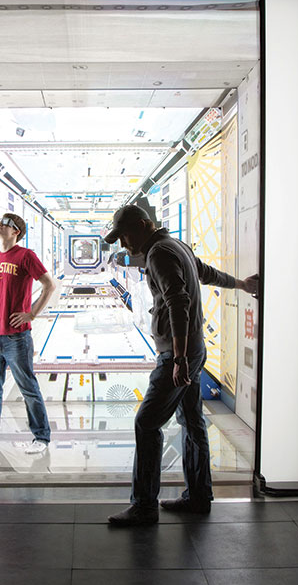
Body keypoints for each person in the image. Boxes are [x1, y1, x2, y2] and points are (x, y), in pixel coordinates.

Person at [104, 204, 258, 525]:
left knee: (146, 424)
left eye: (125, 235)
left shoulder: (160, 253)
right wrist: (242, 285)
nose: (123, 244)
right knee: (192, 421)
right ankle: (198, 496)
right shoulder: (176, 246)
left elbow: (178, 302)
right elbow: (206, 273)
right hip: (194, 350)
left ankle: (145, 506)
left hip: (179, 356)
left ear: (144, 225)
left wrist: (178, 357)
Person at [0, 212, 56, 454]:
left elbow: (49, 284)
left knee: (28, 388)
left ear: (16, 230)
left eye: (4, 223)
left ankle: (41, 437)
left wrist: (32, 314)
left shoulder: (26, 256)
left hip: (17, 336)